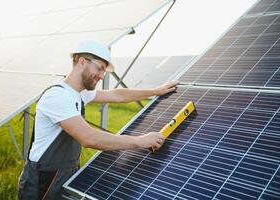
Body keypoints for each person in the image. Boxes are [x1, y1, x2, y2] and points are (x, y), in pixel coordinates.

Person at [18, 40, 178, 200]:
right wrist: (139, 141)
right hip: (43, 180)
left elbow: (117, 95)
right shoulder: (58, 96)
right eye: (100, 68)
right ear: (81, 62)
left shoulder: (80, 93)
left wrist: (155, 91)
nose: (102, 76)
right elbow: (88, 138)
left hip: (64, 173)